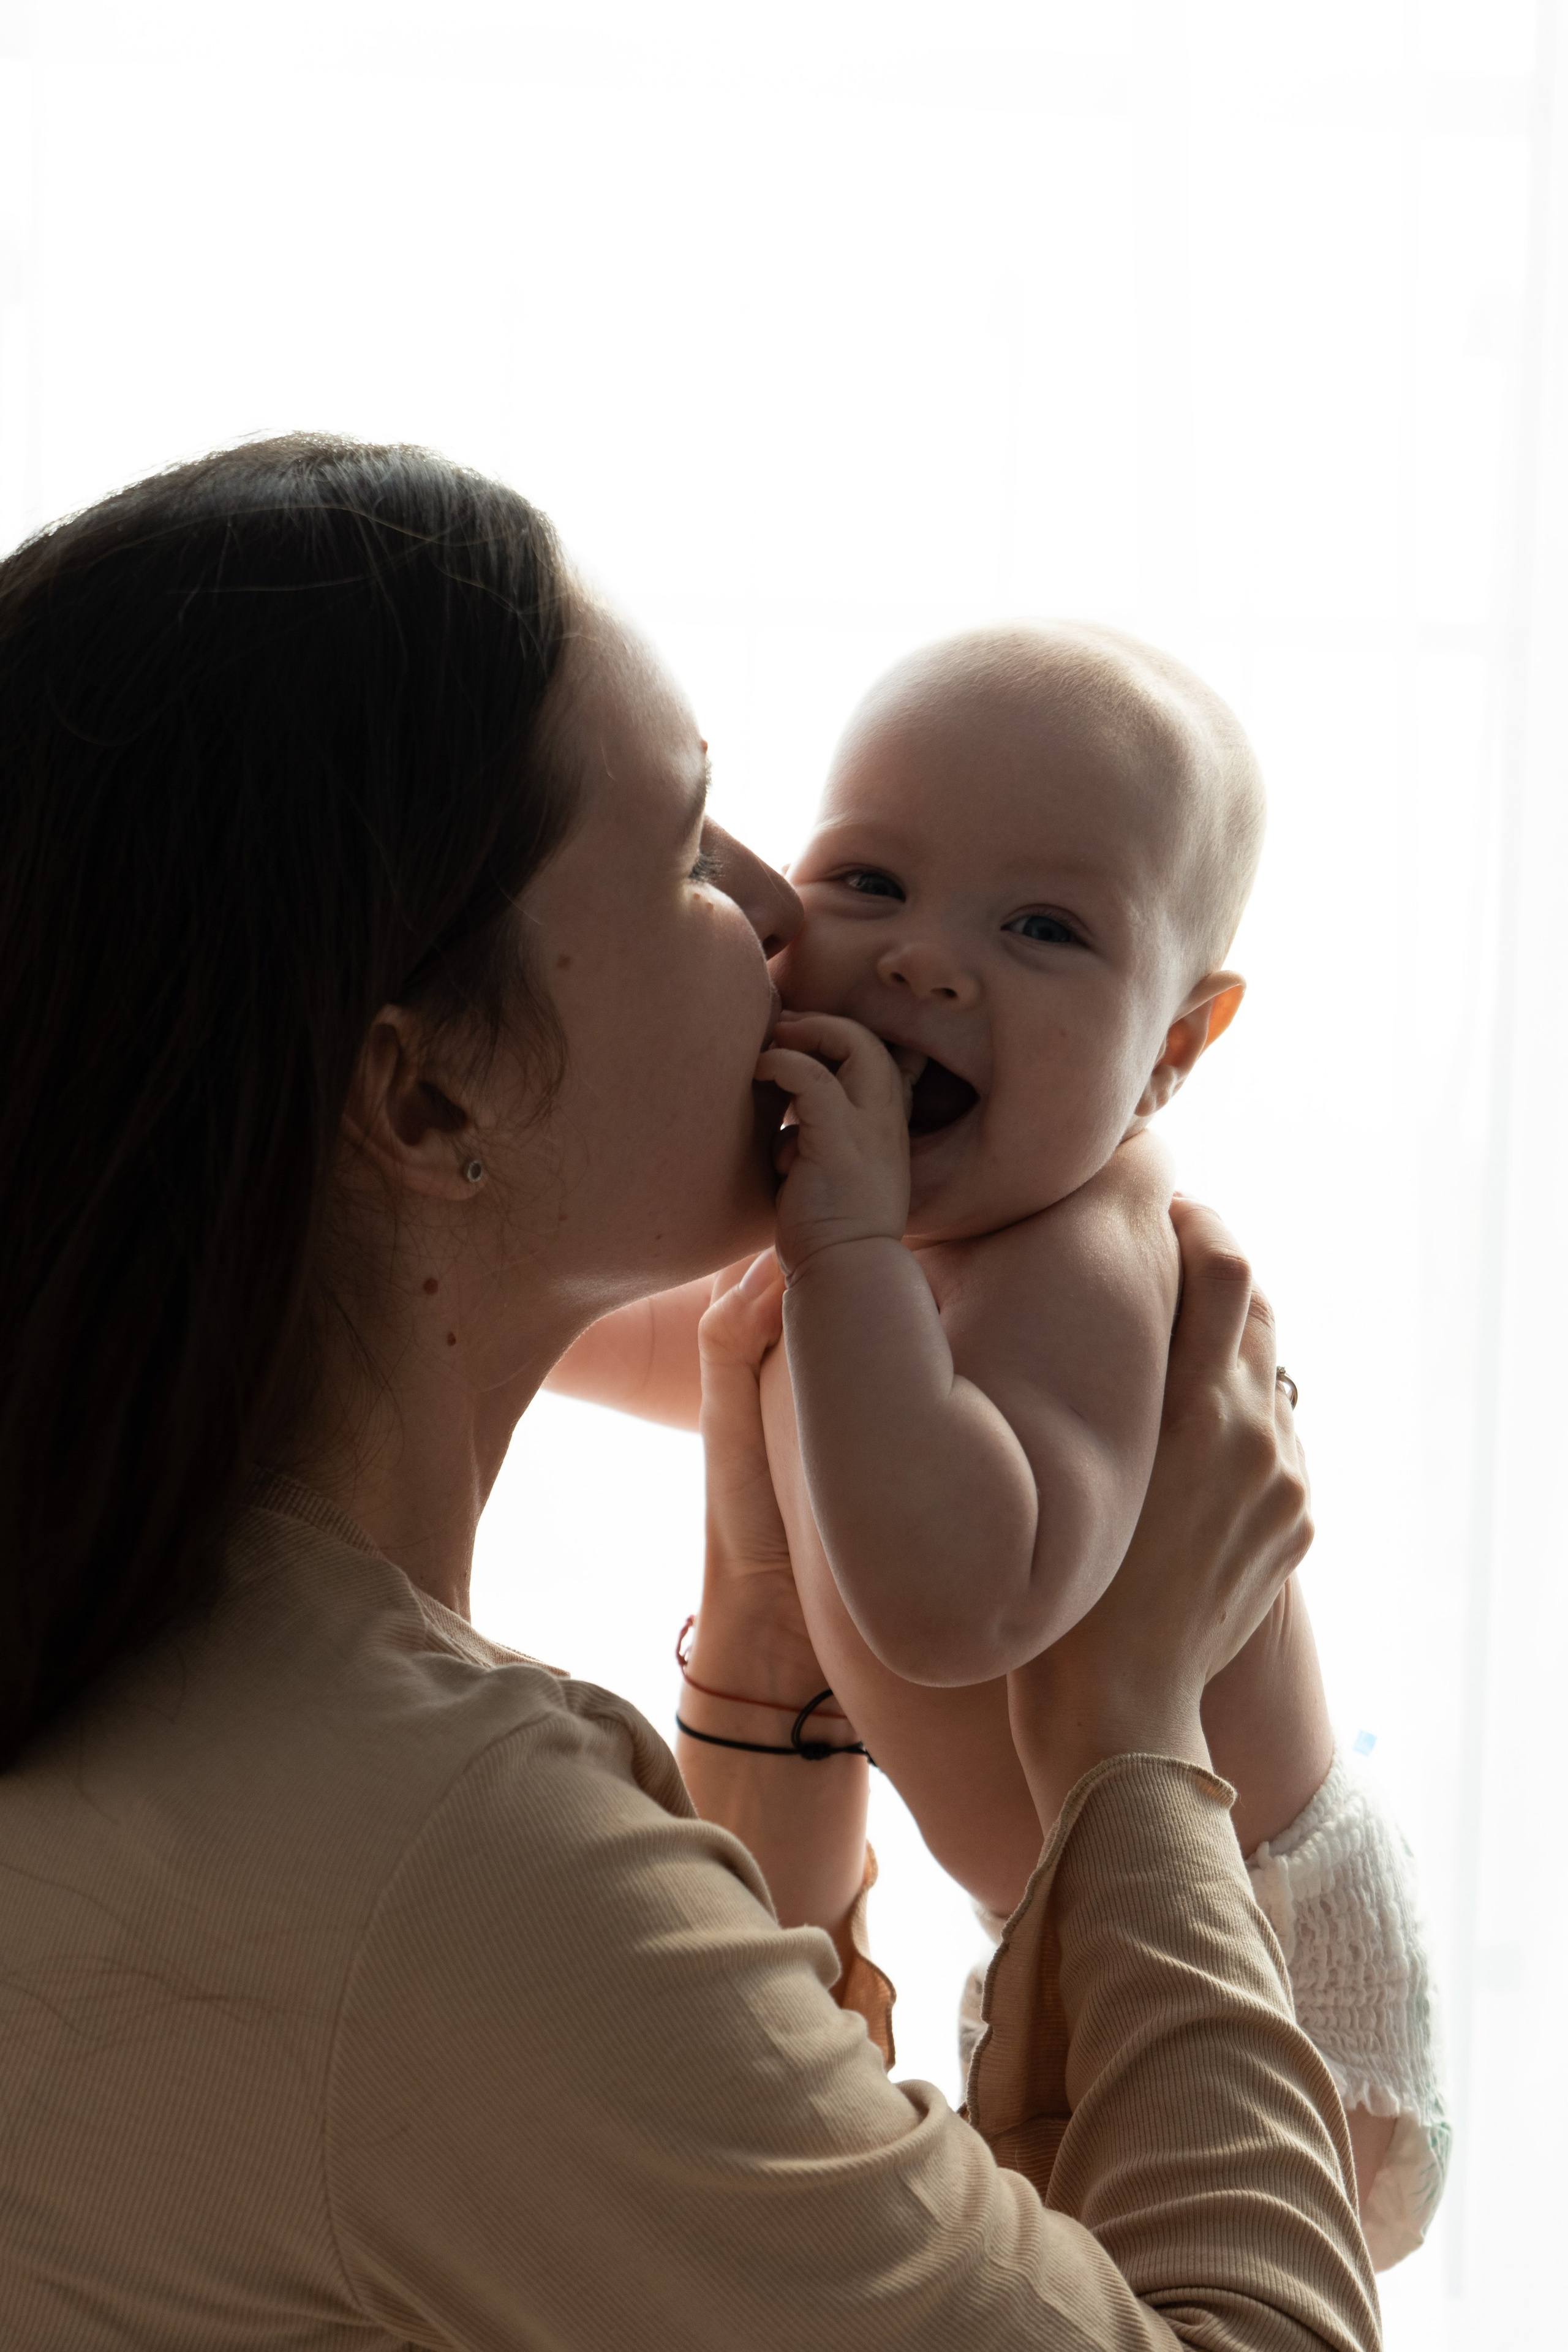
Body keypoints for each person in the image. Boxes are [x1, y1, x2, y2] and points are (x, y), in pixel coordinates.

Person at [0, 434, 1379, 2350]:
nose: (799, 924)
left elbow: (733, 2201)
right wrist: (1139, 1738)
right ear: (426, 1097)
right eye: (696, 847)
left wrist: (759, 1661)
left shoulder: (167, 1684)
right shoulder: (448, 1874)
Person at [551, 632, 1449, 2265]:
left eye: (1044, 927)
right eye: (871, 881)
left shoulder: (1090, 1258)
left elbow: (962, 1594)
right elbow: (701, 1352)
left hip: (1262, 1959)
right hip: (1087, 1918)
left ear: (1177, 1044)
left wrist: (842, 1263)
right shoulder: (882, 1254)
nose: (927, 964)